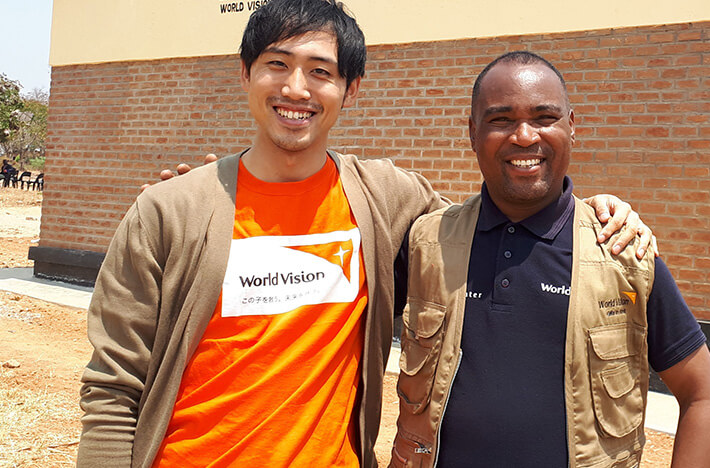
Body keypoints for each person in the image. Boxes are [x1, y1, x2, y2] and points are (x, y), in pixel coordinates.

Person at [78, 1, 652, 467]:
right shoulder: (170, 211)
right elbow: (113, 387)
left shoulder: (386, 199)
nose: (296, 89)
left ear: (350, 89)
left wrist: (590, 209)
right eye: (277, 64)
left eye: (321, 71)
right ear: (245, 73)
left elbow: (494, 219)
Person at [392, 52, 710, 468]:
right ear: (473, 132)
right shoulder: (427, 244)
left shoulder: (623, 252)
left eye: (544, 117)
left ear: (572, 126)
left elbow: (704, 396)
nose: (524, 136)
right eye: (501, 119)